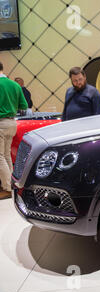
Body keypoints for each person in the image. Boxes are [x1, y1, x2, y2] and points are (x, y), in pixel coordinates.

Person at [0, 62, 28, 199]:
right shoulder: (15, 85)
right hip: (12, 122)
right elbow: (24, 105)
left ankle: (6, 187)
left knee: (0, 157)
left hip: (0, 123)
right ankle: (12, 184)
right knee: (6, 156)